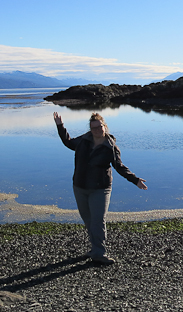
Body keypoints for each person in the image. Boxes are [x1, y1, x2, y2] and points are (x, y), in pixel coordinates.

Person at [53, 111, 147, 265]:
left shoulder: (110, 147)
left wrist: (135, 180)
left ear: (105, 127)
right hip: (80, 186)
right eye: (93, 128)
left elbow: (119, 167)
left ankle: (99, 253)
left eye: (99, 127)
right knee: (88, 220)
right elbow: (69, 143)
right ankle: (95, 248)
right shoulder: (84, 140)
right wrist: (60, 125)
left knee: (98, 220)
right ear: (90, 129)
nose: (96, 130)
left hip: (100, 188)